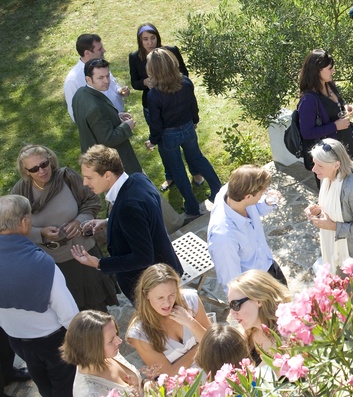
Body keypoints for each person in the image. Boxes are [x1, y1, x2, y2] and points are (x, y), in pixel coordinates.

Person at [70, 145, 183, 305]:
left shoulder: (127, 207)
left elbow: (143, 257)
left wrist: (99, 263)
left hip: (153, 289)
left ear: (107, 175)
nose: (85, 183)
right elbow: (145, 218)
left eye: (89, 177)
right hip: (166, 270)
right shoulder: (138, 179)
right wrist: (110, 222)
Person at [11, 145, 118, 312]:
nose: (41, 171)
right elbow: (15, 228)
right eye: (34, 168)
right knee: (73, 312)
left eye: (44, 164)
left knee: (98, 309)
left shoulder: (67, 177)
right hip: (54, 263)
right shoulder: (21, 192)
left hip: (84, 253)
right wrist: (41, 233)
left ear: (50, 160)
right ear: (26, 171)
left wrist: (79, 221)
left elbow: (92, 202)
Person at [0, 195, 79, 397]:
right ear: (24, 222)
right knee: (63, 384)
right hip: (52, 342)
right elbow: (69, 314)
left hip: (16, 338)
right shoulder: (42, 264)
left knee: (40, 379)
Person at [146, 48, 222, 221]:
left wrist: (153, 140)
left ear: (153, 71)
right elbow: (193, 105)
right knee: (198, 158)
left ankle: (192, 207)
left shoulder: (154, 95)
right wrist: (194, 120)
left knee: (178, 169)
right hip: (188, 128)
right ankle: (218, 190)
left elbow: (156, 123)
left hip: (168, 135)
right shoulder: (186, 82)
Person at [128, 23, 204, 192]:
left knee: (189, 143)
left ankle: (197, 173)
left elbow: (184, 74)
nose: (150, 43)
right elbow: (134, 82)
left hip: (176, 104)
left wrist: (169, 79)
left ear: (158, 37)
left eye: (152, 38)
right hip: (152, 106)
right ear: (140, 41)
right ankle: (170, 175)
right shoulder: (135, 57)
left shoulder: (171, 51)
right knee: (164, 145)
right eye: (145, 39)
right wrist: (144, 83)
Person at [207, 165, 288, 287]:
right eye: (262, 193)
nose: (264, 194)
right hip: (256, 286)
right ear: (248, 197)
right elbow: (231, 282)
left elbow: (254, 207)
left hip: (268, 263)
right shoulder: (223, 238)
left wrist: (267, 203)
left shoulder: (233, 192)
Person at [126, 264, 211, 377]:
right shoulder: (139, 333)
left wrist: (190, 323)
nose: (167, 303)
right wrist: (201, 346)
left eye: (172, 295)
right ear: (146, 295)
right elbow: (168, 375)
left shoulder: (190, 299)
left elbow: (214, 342)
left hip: (212, 367)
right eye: (160, 298)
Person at [305, 139, 353, 269]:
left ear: (336, 165)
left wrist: (333, 226)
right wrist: (319, 211)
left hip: (352, 254)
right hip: (333, 246)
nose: (314, 169)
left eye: (319, 166)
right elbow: (334, 208)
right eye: (314, 164)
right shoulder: (326, 178)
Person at [296, 50, 353, 183]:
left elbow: (338, 103)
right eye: (330, 68)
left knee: (352, 176)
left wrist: (346, 106)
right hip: (329, 152)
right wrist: (335, 126)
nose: (334, 71)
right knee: (335, 186)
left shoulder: (329, 84)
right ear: (317, 71)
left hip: (344, 142)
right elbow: (307, 132)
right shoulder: (308, 100)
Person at [71, 58, 143, 175]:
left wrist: (115, 116)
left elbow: (91, 123)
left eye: (107, 76)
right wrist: (127, 127)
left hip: (95, 159)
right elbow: (108, 139)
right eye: (100, 78)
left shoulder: (80, 94)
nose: (106, 81)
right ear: (88, 79)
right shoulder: (95, 106)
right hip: (112, 165)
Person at [60, 310, 141, 397]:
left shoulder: (109, 354)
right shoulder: (89, 393)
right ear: (91, 348)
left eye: (116, 334)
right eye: (111, 340)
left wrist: (145, 383)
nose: (119, 341)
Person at [227, 270, 290, 363]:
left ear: (259, 300)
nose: (232, 313)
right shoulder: (248, 332)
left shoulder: (287, 335)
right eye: (229, 306)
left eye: (235, 305)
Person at [64, 34, 129, 122]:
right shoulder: (73, 80)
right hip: (103, 128)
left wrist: (119, 91)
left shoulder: (100, 65)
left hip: (120, 119)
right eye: (99, 49)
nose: (104, 50)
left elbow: (113, 86)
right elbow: (76, 114)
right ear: (87, 53)